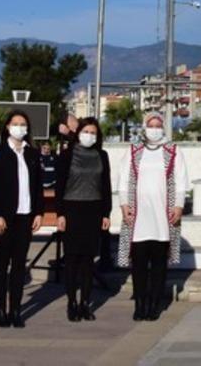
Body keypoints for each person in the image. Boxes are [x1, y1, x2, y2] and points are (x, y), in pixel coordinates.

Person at [118, 111, 189, 321]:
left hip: (162, 217)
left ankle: (155, 305)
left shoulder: (173, 151)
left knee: (159, 265)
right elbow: (123, 180)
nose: (155, 129)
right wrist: (123, 204)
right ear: (144, 127)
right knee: (139, 265)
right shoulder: (133, 151)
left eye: (159, 125)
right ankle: (140, 304)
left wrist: (178, 206)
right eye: (151, 125)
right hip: (139, 217)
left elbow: (181, 181)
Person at [0, 110, 43, 328]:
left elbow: (37, 187)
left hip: (25, 216)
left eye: (23, 124)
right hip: (4, 217)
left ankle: (16, 310)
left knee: (19, 265)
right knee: (2, 263)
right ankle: (0, 309)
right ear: (7, 127)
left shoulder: (32, 154)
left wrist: (38, 213)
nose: (20, 127)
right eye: (16, 123)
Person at [55, 117, 111, 322]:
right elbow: (60, 185)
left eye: (93, 132)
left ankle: (85, 303)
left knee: (88, 260)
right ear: (78, 133)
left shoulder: (101, 155)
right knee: (71, 259)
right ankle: (71, 302)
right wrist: (60, 214)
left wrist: (106, 213)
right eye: (86, 131)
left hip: (93, 210)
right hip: (71, 209)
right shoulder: (67, 155)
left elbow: (105, 185)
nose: (90, 135)